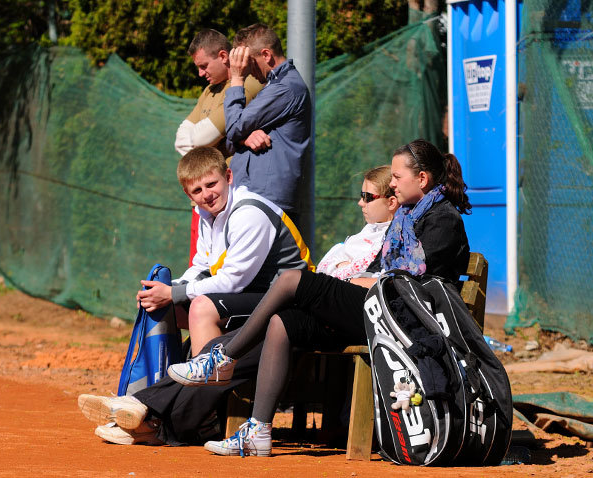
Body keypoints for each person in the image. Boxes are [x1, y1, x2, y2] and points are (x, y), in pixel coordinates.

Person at [167, 138, 471, 457]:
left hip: (399, 316)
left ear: (421, 179)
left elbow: (413, 283)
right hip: (379, 307)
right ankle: (257, 431)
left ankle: (225, 358)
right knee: (284, 323)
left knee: (292, 280)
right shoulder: (407, 217)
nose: (392, 183)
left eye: (396, 177)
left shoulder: (441, 218)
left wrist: (371, 280)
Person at [78, 165, 398, 447]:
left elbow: (385, 283)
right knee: (222, 347)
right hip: (298, 312)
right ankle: (152, 417)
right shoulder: (361, 237)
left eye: (368, 197)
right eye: (362, 195)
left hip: (315, 312)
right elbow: (204, 265)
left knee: (216, 331)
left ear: (392, 202)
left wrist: (174, 293)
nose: (360, 202)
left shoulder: (394, 236)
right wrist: (174, 292)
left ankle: (152, 413)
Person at [136, 145, 313, 357]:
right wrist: (165, 290)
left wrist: (173, 293)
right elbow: (202, 267)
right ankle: (164, 378)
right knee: (160, 306)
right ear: (187, 193)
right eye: (197, 190)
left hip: (290, 302)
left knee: (201, 307)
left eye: (211, 184)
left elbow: (231, 282)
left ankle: (205, 385)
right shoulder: (206, 214)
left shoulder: (249, 213)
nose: (207, 195)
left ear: (228, 176)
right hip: (253, 294)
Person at [175, 29, 263, 265]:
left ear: (223, 56)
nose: (200, 73)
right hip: (202, 204)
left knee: (221, 268)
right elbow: (181, 140)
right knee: (199, 265)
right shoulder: (209, 90)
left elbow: (201, 137)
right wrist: (214, 142)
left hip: (227, 200)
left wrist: (206, 141)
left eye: (204, 66)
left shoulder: (247, 84)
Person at [224, 24, 311, 219]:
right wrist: (244, 139)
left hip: (267, 203)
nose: (246, 69)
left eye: (249, 61)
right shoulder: (273, 86)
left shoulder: (286, 88)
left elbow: (233, 127)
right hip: (255, 198)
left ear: (266, 55)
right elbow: (231, 138)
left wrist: (237, 79)